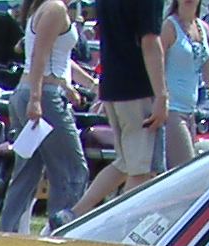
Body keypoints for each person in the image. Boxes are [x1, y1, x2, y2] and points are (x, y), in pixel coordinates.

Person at [0, 0, 85, 230]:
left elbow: (53, 55)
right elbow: (39, 55)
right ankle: (62, 232)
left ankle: (7, 233)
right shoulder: (55, 8)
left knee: (26, 173)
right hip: (44, 97)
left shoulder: (42, 8)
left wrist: (70, 86)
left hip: (30, 92)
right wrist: (36, 98)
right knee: (72, 171)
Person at [66, 0, 159, 217]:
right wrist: (162, 93)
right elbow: (150, 41)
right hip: (138, 86)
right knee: (142, 169)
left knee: (125, 163)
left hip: (112, 84)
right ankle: (117, 224)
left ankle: (73, 214)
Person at [157, 0, 209, 165]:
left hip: (191, 111)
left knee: (190, 167)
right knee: (185, 168)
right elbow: (157, 70)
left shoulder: (204, 29)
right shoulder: (169, 27)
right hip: (171, 110)